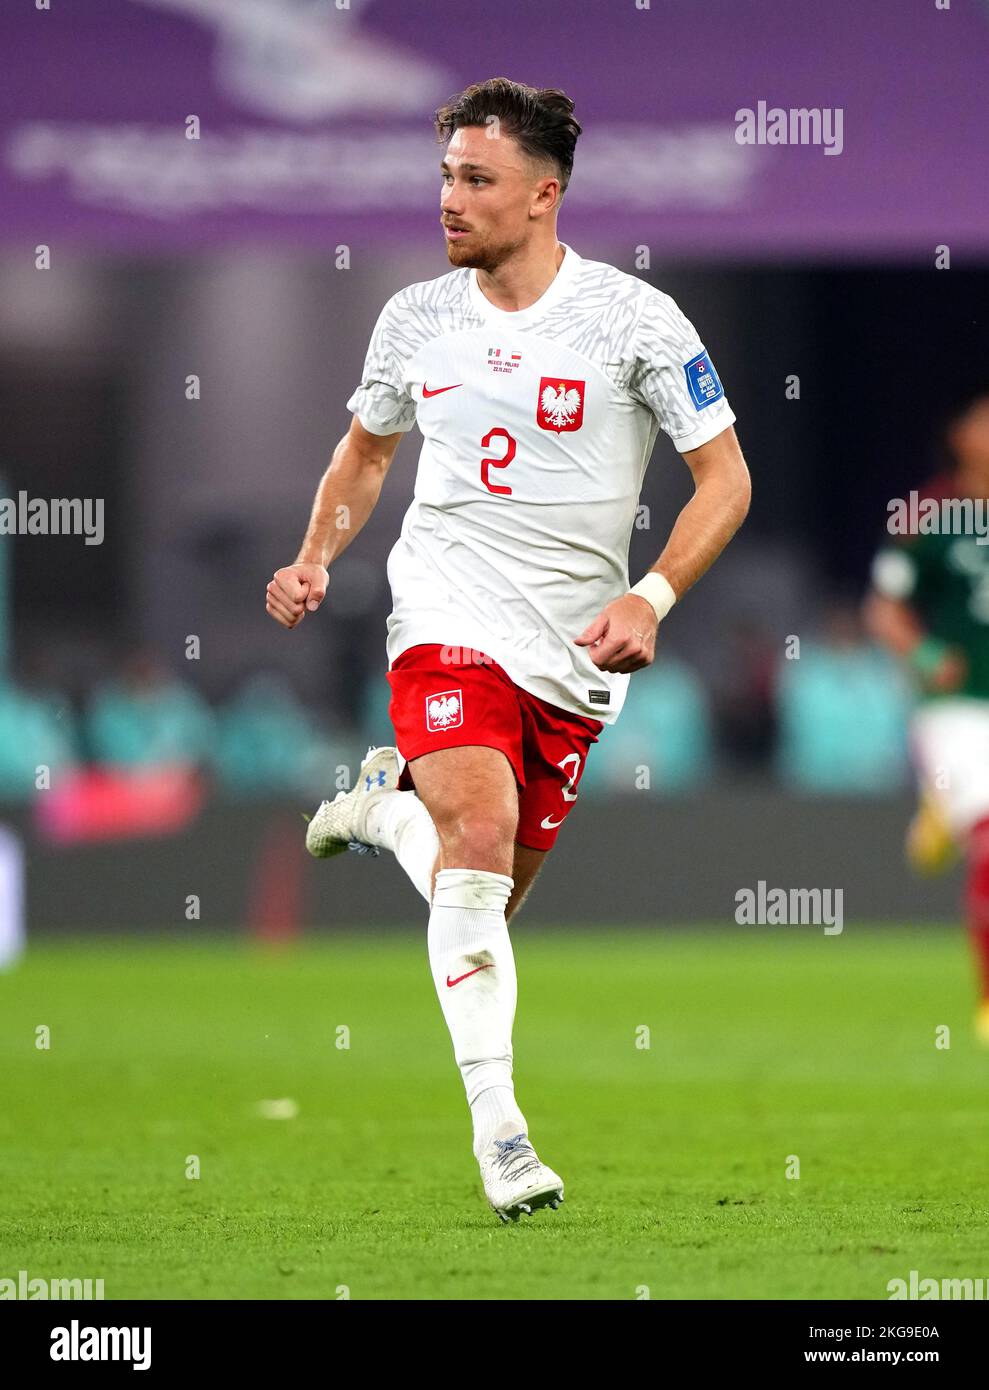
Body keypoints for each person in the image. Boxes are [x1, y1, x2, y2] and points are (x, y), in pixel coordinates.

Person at [266, 77, 750, 1221]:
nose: (449, 199)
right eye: (444, 175)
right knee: (475, 836)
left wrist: (652, 595)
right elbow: (365, 455)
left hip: (576, 660)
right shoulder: (413, 319)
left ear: (543, 195)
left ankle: (385, 811)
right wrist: (316, 554)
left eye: (475, 180)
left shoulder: (635, 321)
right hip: (442, 617)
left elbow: (724, 480)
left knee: (473, 891)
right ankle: (503, 1137)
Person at [864, 385, 989, 1042]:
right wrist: (926, 652)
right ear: (960, 436)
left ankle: (939, 812)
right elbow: (882, 610)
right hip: (956, 708)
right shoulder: (927, 515)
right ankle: (986, 1006)